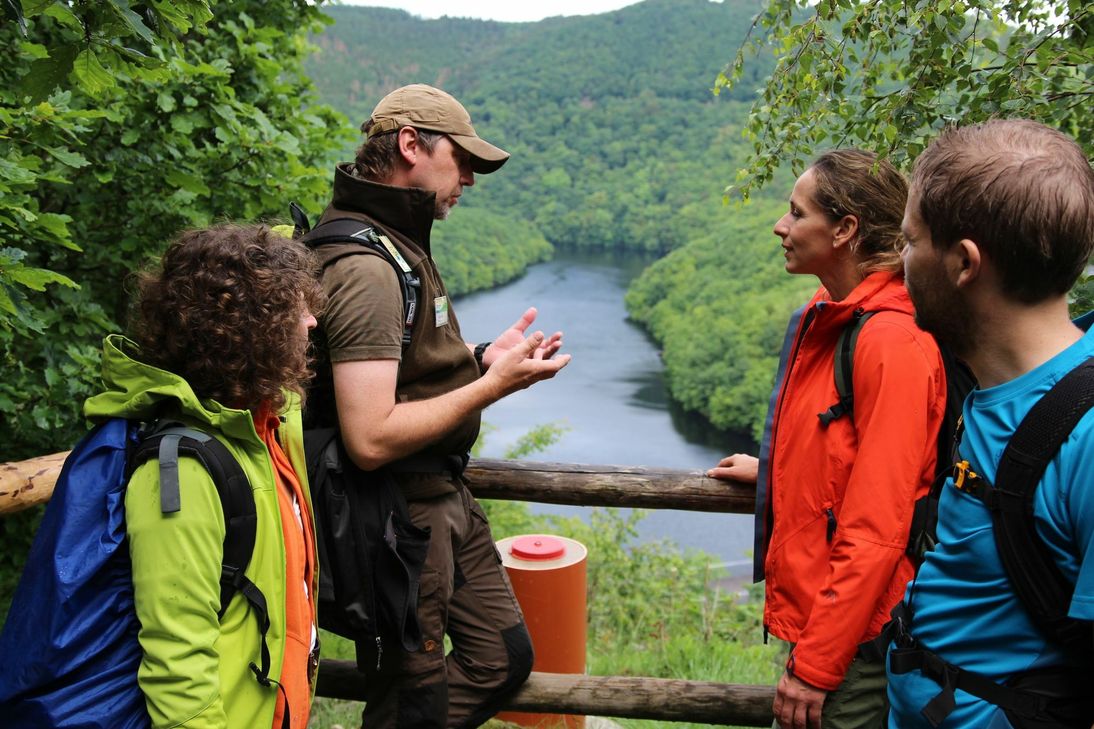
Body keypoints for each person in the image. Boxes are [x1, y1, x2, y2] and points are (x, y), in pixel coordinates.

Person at [308, 83, 570, 729]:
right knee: (414, 694)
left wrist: (478, 356)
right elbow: (370, 435)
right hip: (398, 517)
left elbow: (401, 371)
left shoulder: (396, 243)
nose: (471, 181)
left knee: (500, 656)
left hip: (441, 498)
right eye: (465, 162)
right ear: (410, 145)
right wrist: (494, 385)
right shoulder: (366, 266)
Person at [708, 150, 946, 729]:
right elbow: (848, 460)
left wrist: (816, 666)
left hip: (858, 640)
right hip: (831, 623)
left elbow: (879, 526)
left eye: (797, 213)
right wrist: (775, 476)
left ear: (845, 230)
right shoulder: (833, 313)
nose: (780, 226)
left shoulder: (891, 342)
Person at [887, 119, 1094, 727]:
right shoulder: (990, 383)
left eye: (909, 241)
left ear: (962, 262)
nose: (900, 262)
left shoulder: (1083, 436)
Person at [83, 225, 325, 728]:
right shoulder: (184, 472)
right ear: (254, 328)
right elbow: (178, 668)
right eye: (296, 309)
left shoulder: (265, 432)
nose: (312, 321)